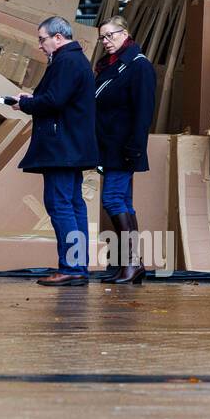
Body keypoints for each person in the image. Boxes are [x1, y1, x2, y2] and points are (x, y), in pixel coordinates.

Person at [13, 15, 99, 286]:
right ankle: (77, 266)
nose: (40, 45)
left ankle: (72, 267)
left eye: (42, 39)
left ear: (58, 38)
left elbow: (54, 100)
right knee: (73, 205)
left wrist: (26, 104)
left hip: (62, 147)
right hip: (71, 146)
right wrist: (31, 101)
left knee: (60, 204)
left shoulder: (66, 61)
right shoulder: (75, 60)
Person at [94, 15, 157, 284]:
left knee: (112, 199)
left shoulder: (138, 66)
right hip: (109, 146)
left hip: (123, 147)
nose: (106, 41)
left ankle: (132, 263)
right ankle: (132, 265)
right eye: (103, 37)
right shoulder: (111, 67)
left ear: (125, 33)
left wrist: (135, 148)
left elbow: (144, 112)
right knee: (123, 202)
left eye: (111, 35)